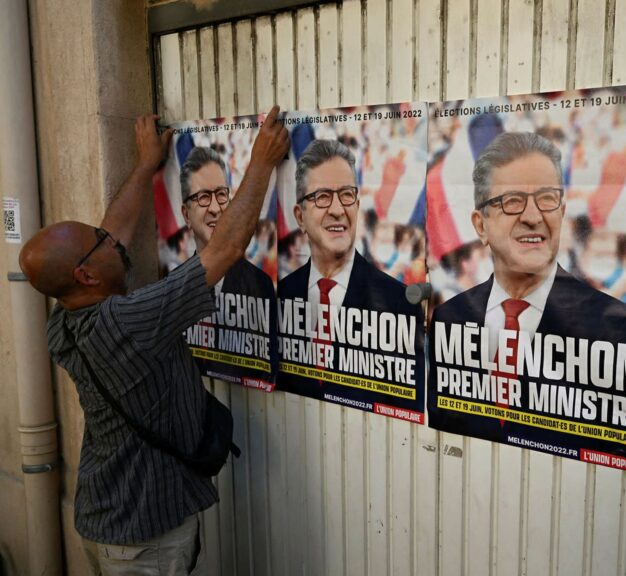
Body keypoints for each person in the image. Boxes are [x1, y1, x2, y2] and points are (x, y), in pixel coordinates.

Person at [19, 109, 289, 574]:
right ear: (86, 274)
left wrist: (146, 165)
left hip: (108, 515)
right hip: (144, 537)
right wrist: (262, 160)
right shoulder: (127, 321)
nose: (112, 241)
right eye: (100, 243)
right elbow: (223, 248)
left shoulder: (63, 319)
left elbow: (109, 235)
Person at [430, 131, 626, 449]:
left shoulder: (622, 331)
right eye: (512, 202)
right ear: (481, 225)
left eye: (547, 199)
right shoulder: (449, 317)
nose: (534, 217)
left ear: (562, 212)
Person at [276, 139, 423, 401]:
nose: (337, 210)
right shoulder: (280, 295)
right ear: (300, 216)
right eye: (322, 197)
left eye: (346, 195)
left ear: (357, 205)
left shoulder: (399, 303)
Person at [179, 146, 279, 386]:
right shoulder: (172, 287)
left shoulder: (260, 283)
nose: (215, 208)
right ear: (185, 214)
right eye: (203, 197)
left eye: (221, 195)